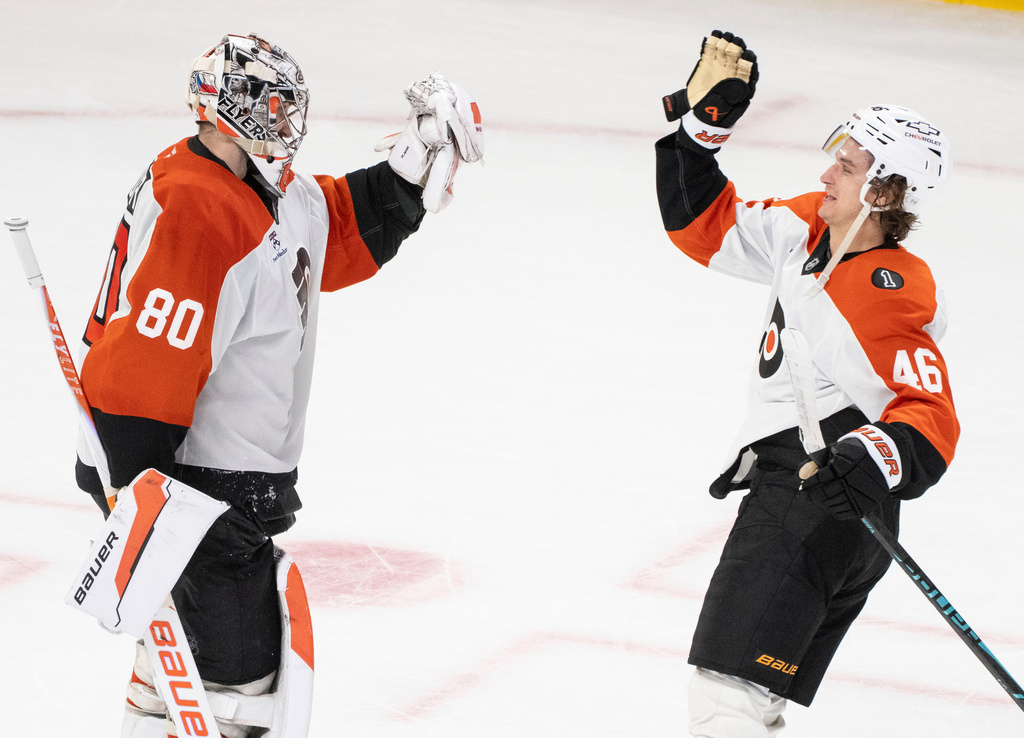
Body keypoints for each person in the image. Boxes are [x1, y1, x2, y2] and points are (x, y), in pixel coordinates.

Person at [74, 33, 483, 737]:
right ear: (225, 108)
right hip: (192, 500)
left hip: (214, 496)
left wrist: (413, 162)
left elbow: (334, 229)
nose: (285, 121)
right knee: (237, 695)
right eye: (270, 104)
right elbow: (138, 375)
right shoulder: (198, 209)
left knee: (174, 680)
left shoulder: (261, 186)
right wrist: (146, 512)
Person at [655, 31, 958, 736]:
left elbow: (931, 417)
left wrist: (870, 458)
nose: (827, 175)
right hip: (825, 510)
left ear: (883, 191)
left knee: (728, 701)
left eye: (846, 168)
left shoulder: (885, 290)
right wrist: (699, 137)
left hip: (814, 502)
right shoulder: (808, 229)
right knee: (750, 707)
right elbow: (705, 229)